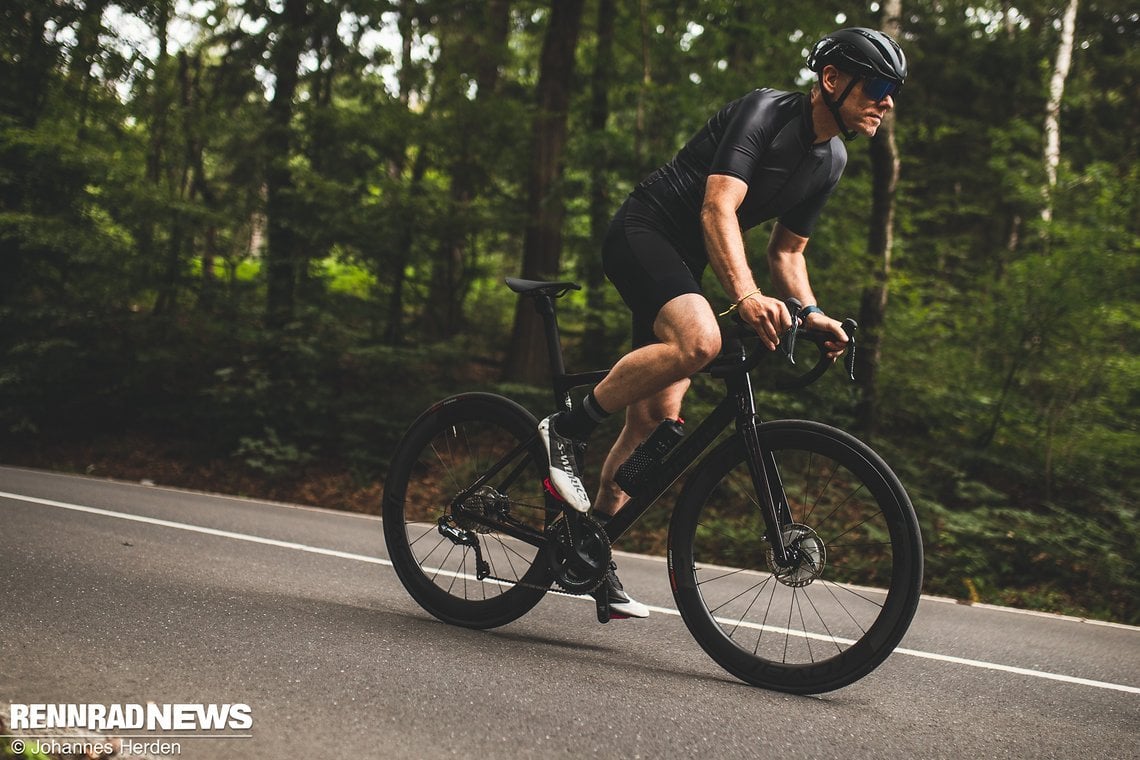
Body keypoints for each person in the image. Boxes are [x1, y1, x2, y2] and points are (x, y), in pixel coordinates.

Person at [539, 28, 908, 619]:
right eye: (880, 85)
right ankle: (567, 428)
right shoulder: (765, 112)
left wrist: (811, 312)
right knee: (702, 340)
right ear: (832, 80)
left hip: (688, 261)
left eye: (894, 91)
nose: (888, 101)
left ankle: (583, 549)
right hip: (645, 229)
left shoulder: (831, 160)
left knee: (653, 423)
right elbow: (718, 207)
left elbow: (787, 253)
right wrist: (747, 297)